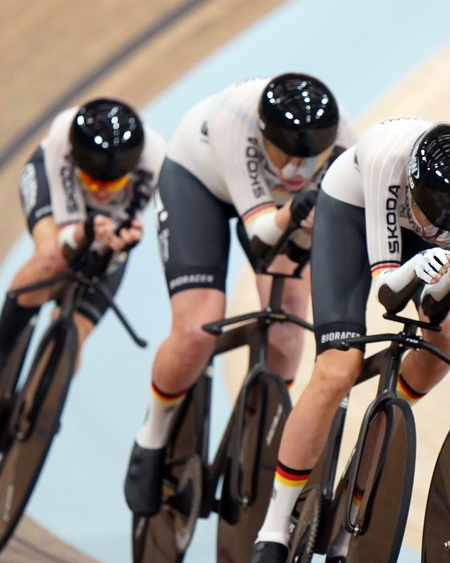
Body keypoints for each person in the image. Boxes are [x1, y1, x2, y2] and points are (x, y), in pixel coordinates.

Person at [244, 118, 450, 563]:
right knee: (336, 370)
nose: (431, 229)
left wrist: (444, 284)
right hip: (354, 212)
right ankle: (272, 531)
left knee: (447, 337)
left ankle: (371, 449)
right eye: (426, 215)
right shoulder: (386, 161)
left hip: (432, 240)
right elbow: (387, 295)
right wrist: (414, 270)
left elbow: (435, 310)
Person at [124, 73, 357, 515]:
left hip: (280, 208)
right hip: (201, 183)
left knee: (288, 323)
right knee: (197, 328)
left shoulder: (345, 139)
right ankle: (151, 436)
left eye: (308, 161)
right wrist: (295, 212)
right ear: (264, 136)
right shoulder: (236, 122)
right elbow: (260, 236)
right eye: (284, 157)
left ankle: (255, 440)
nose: (295, 171)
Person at [0, 98, 165, 401]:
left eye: (111, 184)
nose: (100, 191)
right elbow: (68, 239)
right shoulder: (63, 136)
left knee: (76, 335)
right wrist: (83, 233)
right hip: (55, 187)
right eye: (92, 181)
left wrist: (118, 245)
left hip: (109, 217)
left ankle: (42, 406)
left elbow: (116, 241)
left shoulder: (155, 161)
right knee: (52, 258)